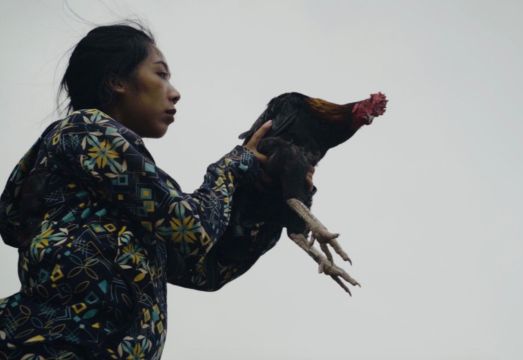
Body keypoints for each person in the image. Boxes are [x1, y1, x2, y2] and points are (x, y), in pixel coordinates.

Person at [0, 23, 303, 359]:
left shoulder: (133, 202)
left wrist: (267, 203)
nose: (174, 92)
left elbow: (208, 268)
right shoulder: (84, 129)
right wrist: (234, 166)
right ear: (117, 81)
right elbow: (192, 229)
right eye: (160, 75)